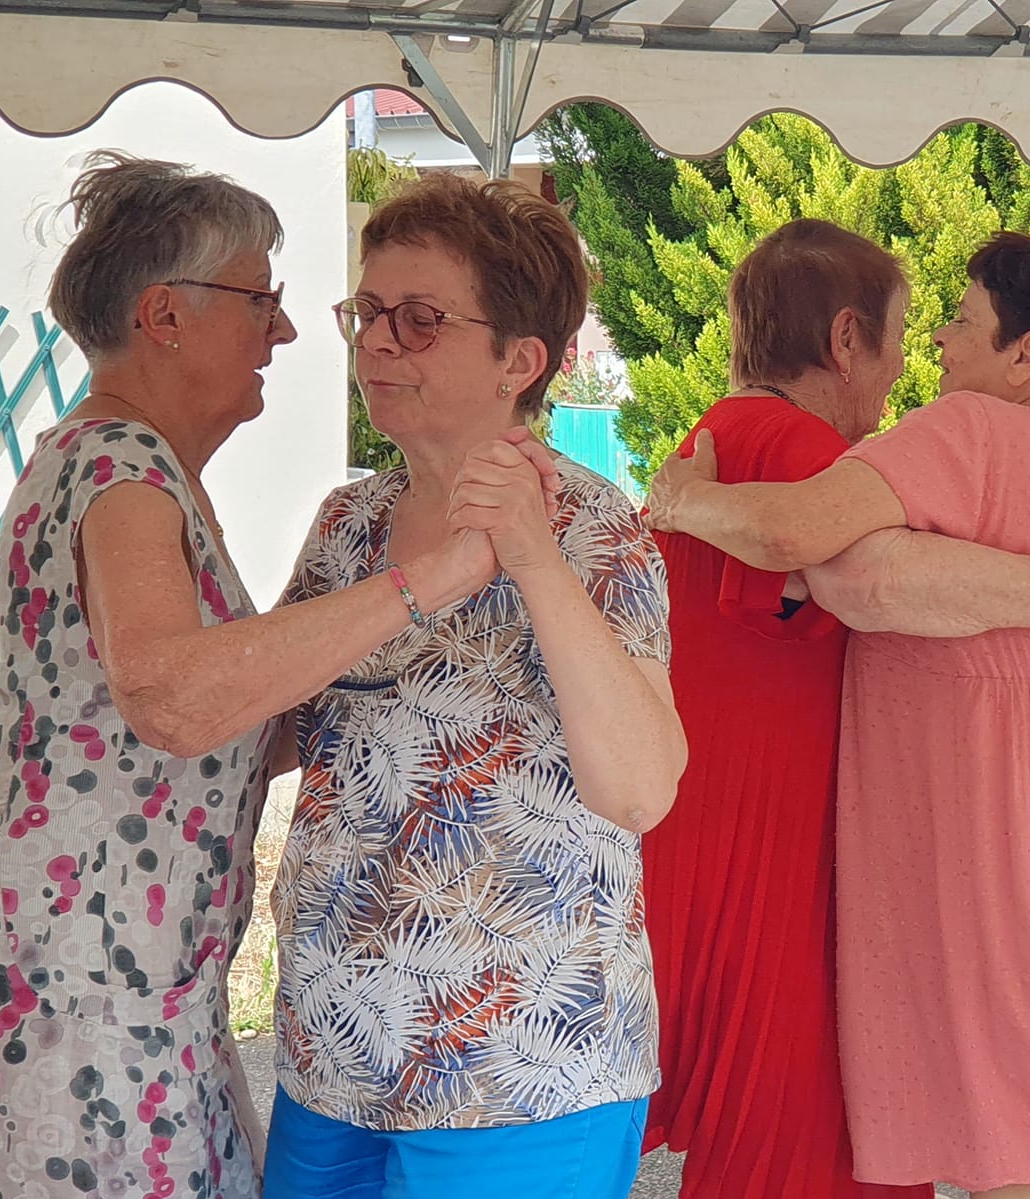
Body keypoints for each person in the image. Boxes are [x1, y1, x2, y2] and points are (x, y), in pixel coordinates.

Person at [0, 153, 506, 1199]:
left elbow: (216, 713)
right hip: (60, 1023)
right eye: (260, 299)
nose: (282, 333)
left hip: (94, 1003)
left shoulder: (122, 465)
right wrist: (432, 578)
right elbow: (170, 694)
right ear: (165, 314)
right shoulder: (119, 470)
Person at [646, 229, 1030, 1199]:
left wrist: (684, 499)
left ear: (1028, 355)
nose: (933, 341)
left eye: (961, 321)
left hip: (1006, 846)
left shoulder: (966, 429)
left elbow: (840, 559)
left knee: (1010, 1137)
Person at [261, 174, 686, 1199]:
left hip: (524, 1073)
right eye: (367, 312)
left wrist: (532, 561)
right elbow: (269, 729)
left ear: (520, 362)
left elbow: (639, 787)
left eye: (419, 320)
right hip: (332, 1051)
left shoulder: (595, 529)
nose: (375, 342)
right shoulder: (346, 523)